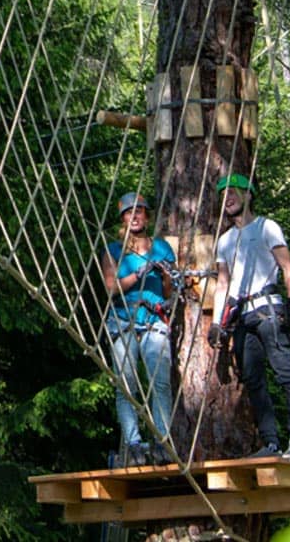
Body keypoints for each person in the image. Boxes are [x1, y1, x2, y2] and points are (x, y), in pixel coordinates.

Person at [207, 172, 290, 461]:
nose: (228, 199)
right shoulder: (225, 240)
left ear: (248, 195)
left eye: (234, 193)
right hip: (242, 315)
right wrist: (217, 322)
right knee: (253, 380)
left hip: (268, 309)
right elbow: (223, 284)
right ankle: (271, 442)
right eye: (224, 196)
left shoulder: (266, 227)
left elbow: (287, 266)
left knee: (285, 372)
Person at [100, 192, 177, 467]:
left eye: (140, 212)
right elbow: (111, 288)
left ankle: (162, 441)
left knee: (161, 383)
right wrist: (139, 273)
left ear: (147, 215)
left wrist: (165, 275)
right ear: (123, 218)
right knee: (127, 385)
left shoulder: (163, 248)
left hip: (154, 320)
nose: (135, 217)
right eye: (129, 213)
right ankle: (133, 444)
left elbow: (168, 291)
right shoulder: (113, 250)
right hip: (123, 320)